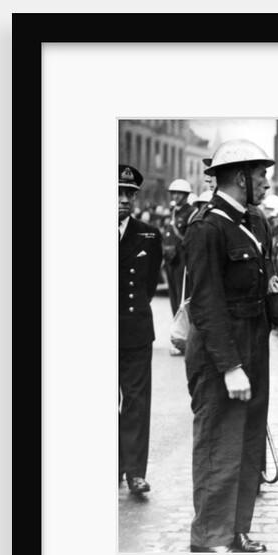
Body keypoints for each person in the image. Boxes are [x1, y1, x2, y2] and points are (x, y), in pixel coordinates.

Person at [183, 139, 276, 553]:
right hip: (221, 353)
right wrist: (229, 366)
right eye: (261, 176)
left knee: (248, 442)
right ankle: (208, 538)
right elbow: (206, 304)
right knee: (218, 443)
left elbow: (265, 279)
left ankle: (237, 530)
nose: (267, 183)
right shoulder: (207, 227)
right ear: (241, 178)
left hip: (254, 346)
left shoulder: (256, 222)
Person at [118, 165, 163, 494]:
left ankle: (134, 472)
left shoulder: (148, 233)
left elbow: (148, 285)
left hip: (135, 330)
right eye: (117, 193)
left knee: (136, 401)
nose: (123, 200)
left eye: (129, 194)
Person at [163, 179, 195, 339]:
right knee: (173, 298)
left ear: (186, 195)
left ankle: (184, 336)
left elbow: (190, 239)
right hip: (170, 259)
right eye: (173, 192)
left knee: (182, 298)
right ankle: (178, 334)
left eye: (178, 193)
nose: (175, 195)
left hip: (182, 260)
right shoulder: (174, 211)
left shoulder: (191, 212)